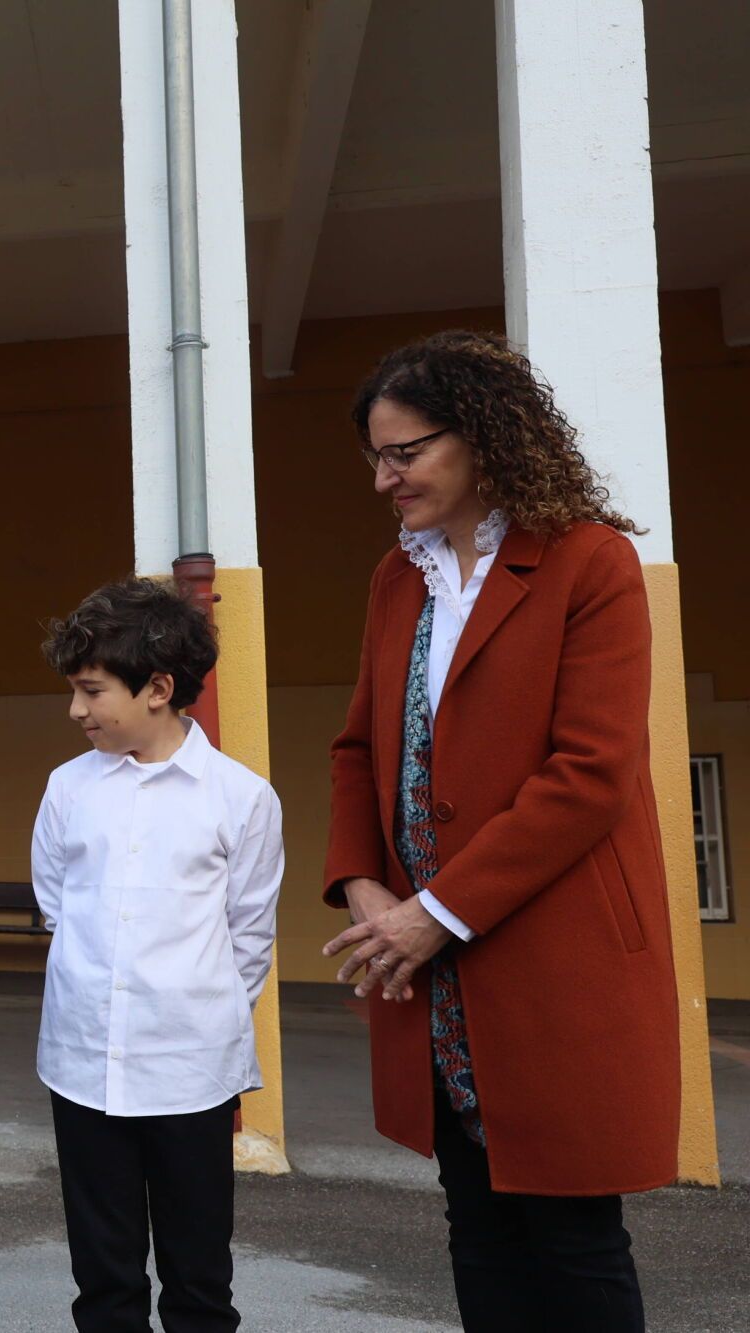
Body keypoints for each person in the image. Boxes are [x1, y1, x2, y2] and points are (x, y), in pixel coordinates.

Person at [321, 331, 678, 1331]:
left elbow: (590, 772)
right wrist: (362, 884)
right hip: (428, 968)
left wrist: (437, 909)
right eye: (375, 458)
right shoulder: (398, 579)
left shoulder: (588, 561)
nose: (384, 479)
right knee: (474, 1220)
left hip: (547, 956)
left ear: (480, 438)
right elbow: (358, 750)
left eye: (406, 453)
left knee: (570, 1236)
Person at [32, 578, 283, 1333]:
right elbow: (56, 903)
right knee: (103, 1276)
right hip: (82, 1063)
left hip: (191, 1072)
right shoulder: (68, 788)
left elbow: (249, 935)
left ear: (159, 688)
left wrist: (187, 1012)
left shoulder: (239, 798)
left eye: (92, 690)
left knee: (198, 1274)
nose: (77, 710)